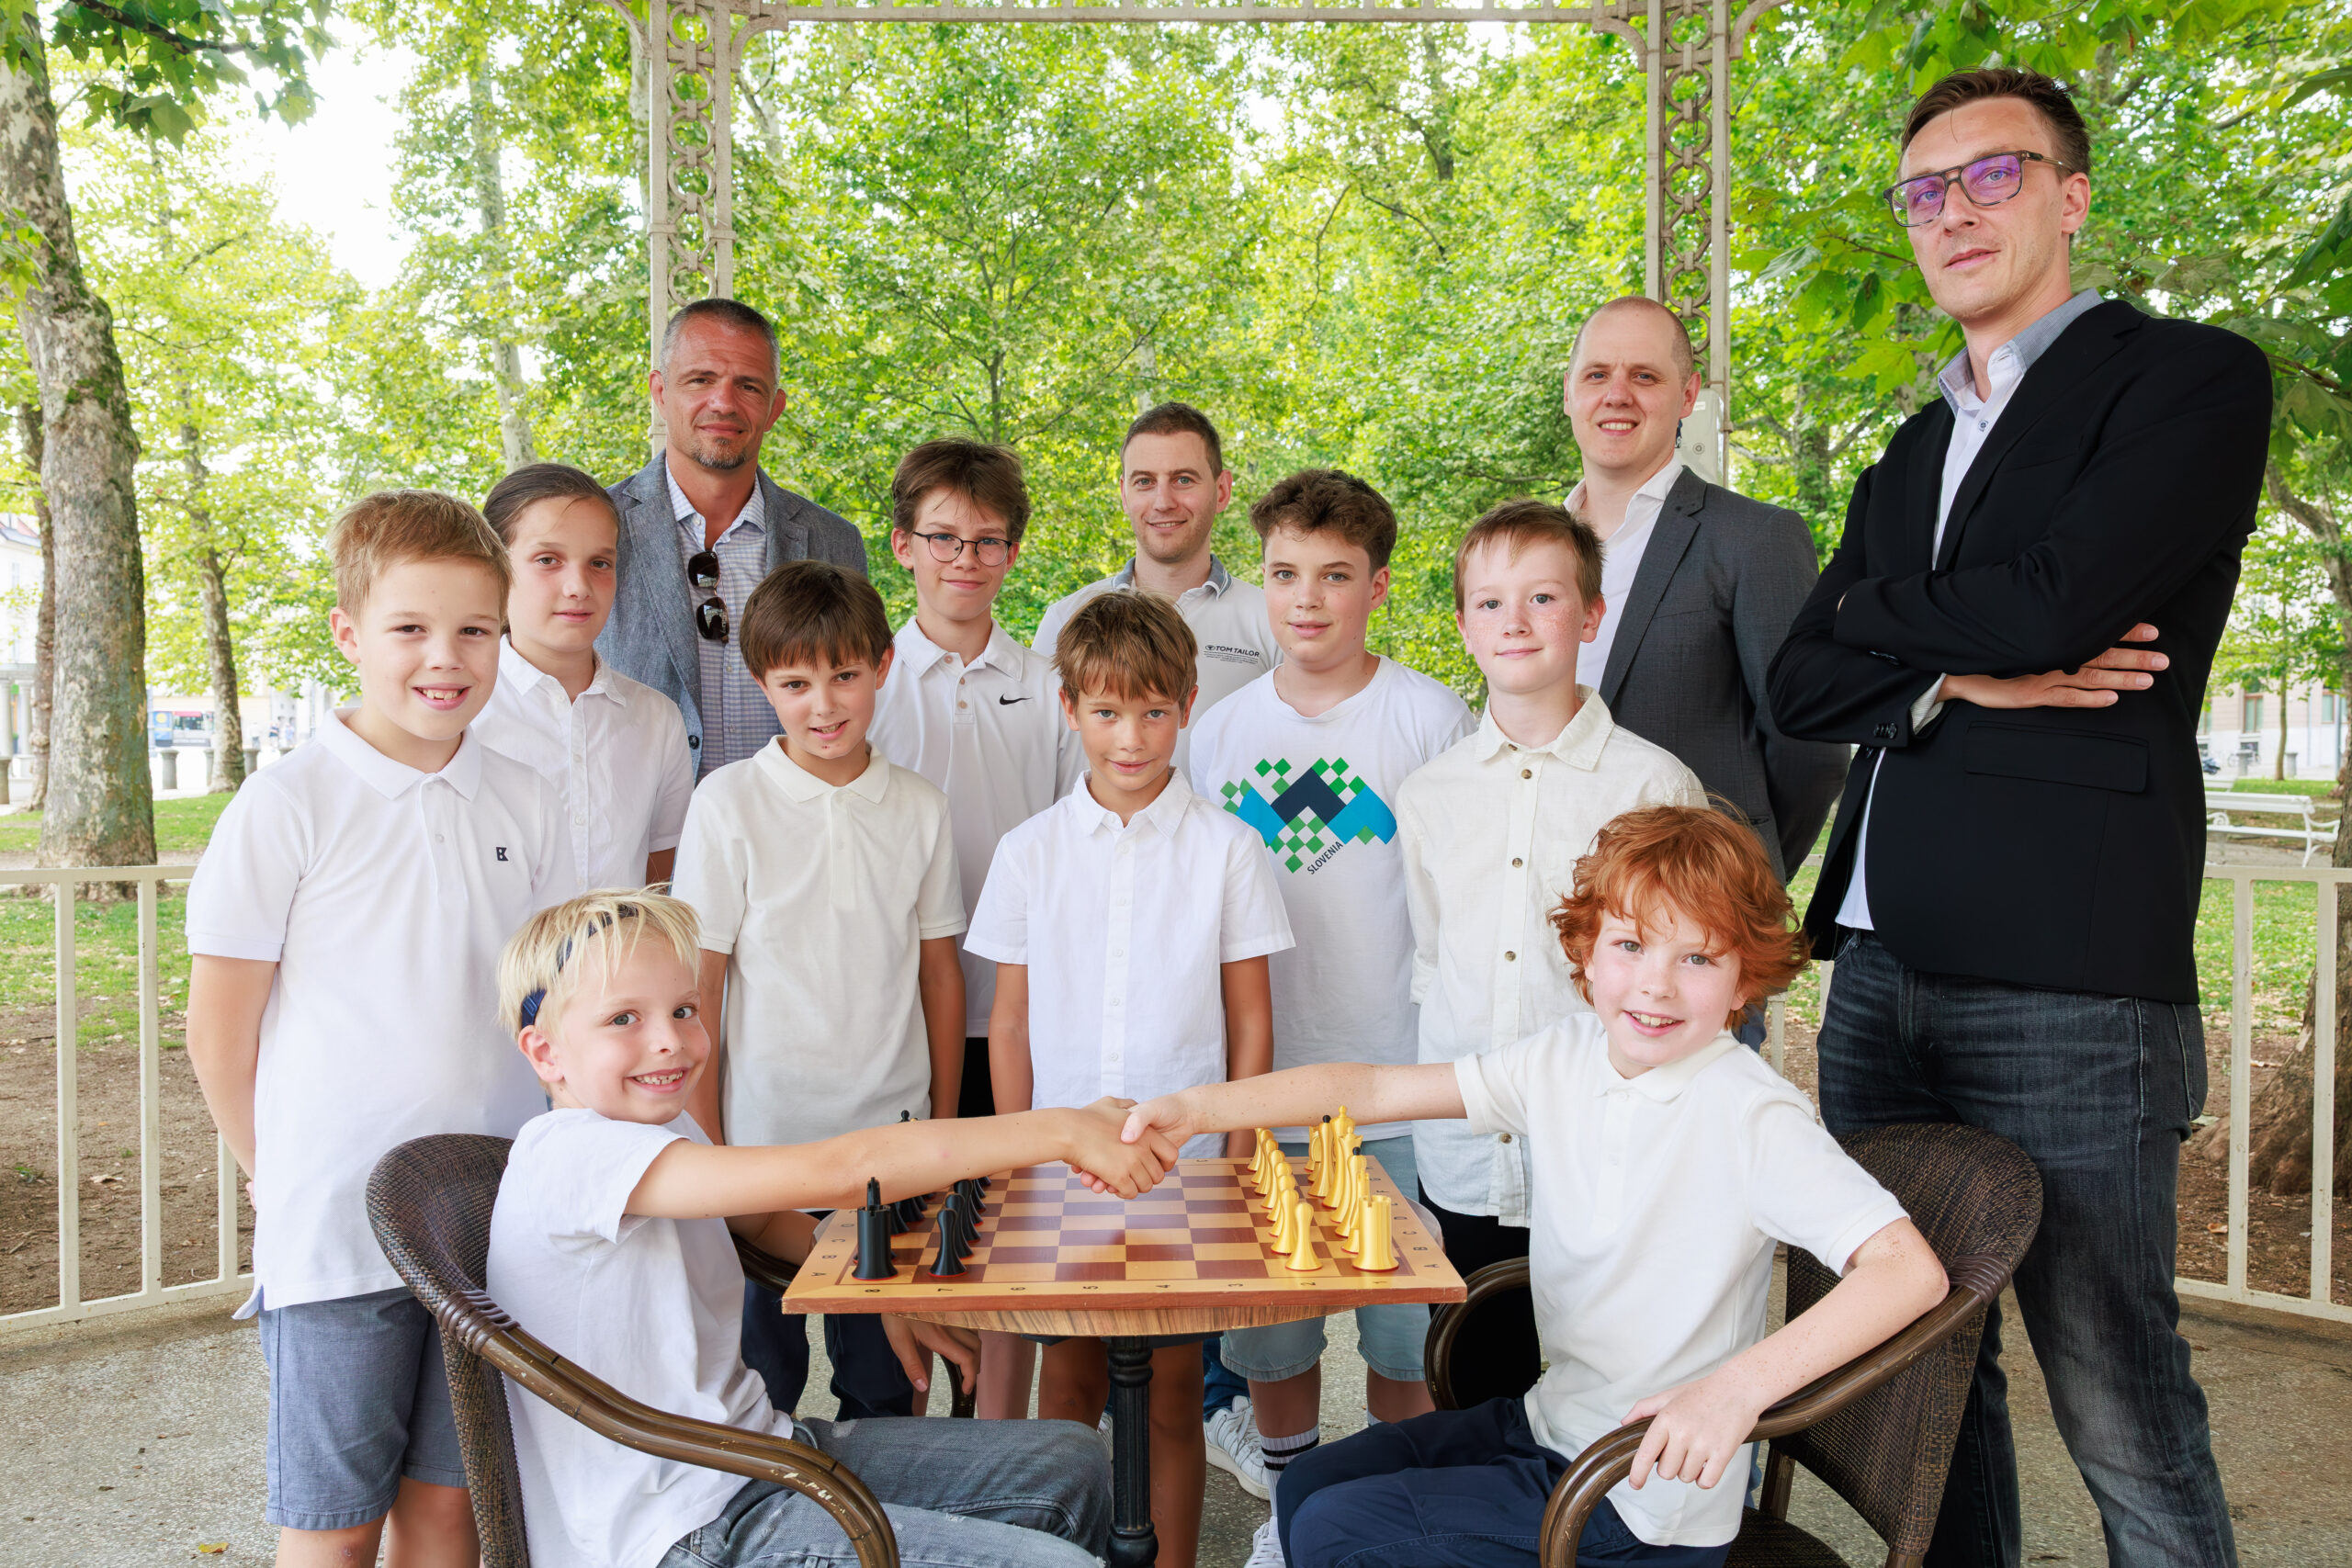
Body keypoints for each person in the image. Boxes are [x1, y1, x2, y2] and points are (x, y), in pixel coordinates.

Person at [1764, 66, 2270, 1568]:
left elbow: (2061, 603)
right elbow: (1801, 676)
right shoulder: (1912, 447)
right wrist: (1955, 675)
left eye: (1995, 175)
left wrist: (1882, 614)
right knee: (1915, 1374)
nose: (1955, 212)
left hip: (2068, 971)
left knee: (2116, 1398)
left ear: (2072, 195)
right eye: (1925, 191)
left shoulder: (2186, 380)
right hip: (1879, 967)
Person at [1118, 805, 1950, 1568]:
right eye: (1631, 945)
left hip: (1640, 1494)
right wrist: (1196, 1108)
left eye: (1697, 957)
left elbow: (1909, 1270)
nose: (1657, 983)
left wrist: (1736, 1391)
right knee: (1305, 1487)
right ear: (1586, 952)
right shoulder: (1565, 1057)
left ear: (1744, 981)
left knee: (1339, 1530)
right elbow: (1373, 1087)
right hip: (1552, 1427)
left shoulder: (1752, 1112)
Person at [487, 887, 1173, 1568]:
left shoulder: (666, 1130)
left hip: (756, 1457)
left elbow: (762, 1221)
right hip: (682, 1527)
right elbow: (848, 1172)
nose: (669, 1039)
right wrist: (1060, 1129)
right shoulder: (574, 1153)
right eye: (624, 1018)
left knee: (1071, 1462)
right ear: (546, 1053)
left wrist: (882, 1293)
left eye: (684, 1009)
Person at [184, 491, 575, 1568]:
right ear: (350, 634)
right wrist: (274, 1174)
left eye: (475, 630)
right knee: (334, 1526)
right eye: (410, 628)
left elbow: (550, 1000)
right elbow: (219, 1033)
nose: (445, 658)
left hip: (487, 1222)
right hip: (337, 1237)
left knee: (452, 1509)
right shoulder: (287, 804)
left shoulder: (528, 796)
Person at [965, 589, 1294, 1568]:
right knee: (1067, 1392)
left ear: (1187, 705)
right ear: (1069, 708)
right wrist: (1020, 1154)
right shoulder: (1028, 852)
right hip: (1060, 1170)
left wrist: (1237, 1161)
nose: (1131, 737)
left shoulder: (1228, 848)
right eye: (1107, 711)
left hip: (1185, 1173)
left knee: (1173, 1399)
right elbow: (1008, 1021)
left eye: (1153, 711)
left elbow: (1251, 1019)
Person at [1187, 469, 1475, 1535]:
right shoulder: (1216, 732)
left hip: (1399, 1082)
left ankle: (1392, 1518)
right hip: (1266, 1088)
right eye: (1284, 574)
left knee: (1406, 1341)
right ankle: (1287, 1505)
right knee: (1274, 1335)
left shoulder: (1431, 719)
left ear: (1378, 586)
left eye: (1334, 575)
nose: (1305, 599)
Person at [1397, 498, 1705, 1404]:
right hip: (1466, 1157)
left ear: (1591, 614)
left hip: (1605, 1154)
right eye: (1490, 602)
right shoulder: (1428, 794)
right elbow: (1435, 960)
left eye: (1543, 597)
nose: (1516, 621)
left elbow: (1686, 986)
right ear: (1463, 626)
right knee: (1477, 1395)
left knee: (1608, 1403)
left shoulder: (1653, 785)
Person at [670, 560, 967, 1425]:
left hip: (893, 1151)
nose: (824, 704)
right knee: (756, 1383)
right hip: (764, 1152)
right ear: (762, 682)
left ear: (882, 667)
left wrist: (945, 1135)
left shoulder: (920, 807)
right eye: (796, 683)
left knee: (888, 1385)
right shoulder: (727, 803)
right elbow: (700, 989)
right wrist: (713, 1157)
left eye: (844, 675)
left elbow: (939, 974)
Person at [868, 436, 1086, 1422]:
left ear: (1013, 552)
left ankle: (998, 1445)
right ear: (903, 545)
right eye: (943, 538)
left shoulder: (1047, 686)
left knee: (1006, 1241)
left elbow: (1072, 842)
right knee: (905, 1250)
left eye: (988, 541)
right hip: (895, 1017)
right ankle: (905, 1455)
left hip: (1013, 1013)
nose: (965, 559)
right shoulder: (865, 685)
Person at [1562, 297, 1845, 884]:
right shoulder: (1529, 551)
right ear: (1569, 393)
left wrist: (1742, 884)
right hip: (1548, 889)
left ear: (1688, 395)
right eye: (1596, 375)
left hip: (1694, 907)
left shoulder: (1755, 538)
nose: (1617, 394)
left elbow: (1810, 751)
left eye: (1645, 376)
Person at [599, 297, 867, 779]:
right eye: (700, 380)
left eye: (748, 385)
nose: (723, 402)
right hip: (642, 823)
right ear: (660, 392)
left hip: (793, 820)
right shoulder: (598, 528)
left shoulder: (834, 542)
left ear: (774, 408)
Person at [474, 462, 695, 892]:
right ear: (494, 570)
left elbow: (660, 864)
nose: (578, 586)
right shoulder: (460, 713)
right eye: (548, 560)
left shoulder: (657, 719)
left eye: (599, 562)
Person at [1031, 401, 1283, 774]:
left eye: (1183, 480)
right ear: (1124, 493)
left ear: (1222, 491)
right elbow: (1036, 762)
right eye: (1145, 482)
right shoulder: (1066, 619)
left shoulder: (1274, 620)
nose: (1163, 502)